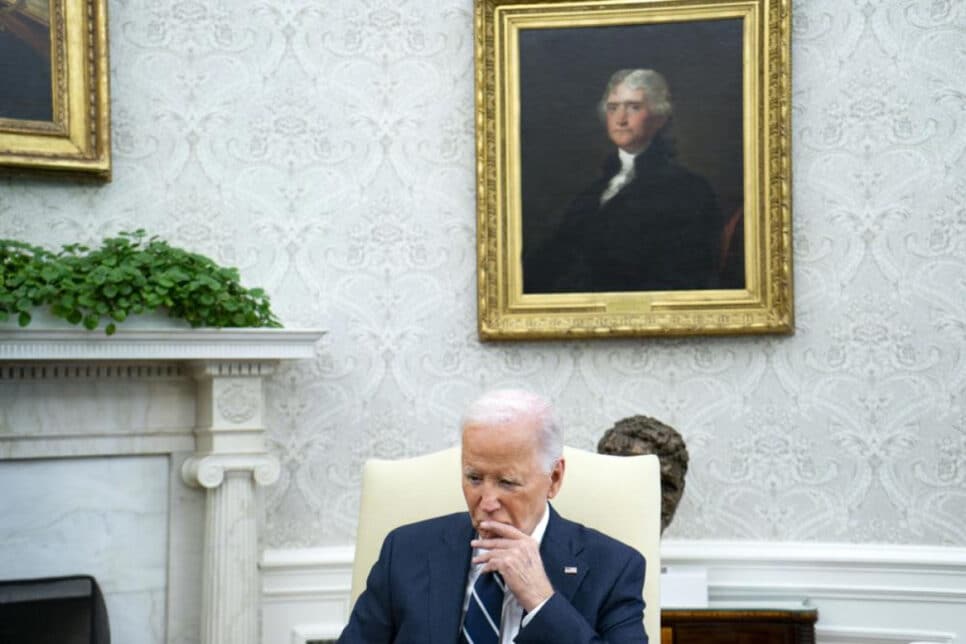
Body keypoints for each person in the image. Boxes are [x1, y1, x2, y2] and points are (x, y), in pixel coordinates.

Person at [338, 389, 648, 643]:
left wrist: (541, 601)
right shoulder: (405, 551)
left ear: (554, 478)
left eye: (507, 482)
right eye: (474, 478)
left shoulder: (614, 568)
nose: (486, 502)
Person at [524, 69, 725, 294]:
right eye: (613, 108)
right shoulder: (593, 192)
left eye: (634, 107)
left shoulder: (689, 190)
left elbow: (684, 277)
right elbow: (553, 258)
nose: (620, 119)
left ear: (660, 117)